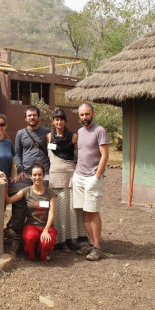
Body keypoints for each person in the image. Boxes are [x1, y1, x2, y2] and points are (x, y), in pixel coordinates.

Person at [72, 103, 109, 262]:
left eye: (87, 114)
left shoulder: (100, 131)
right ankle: (90, 243)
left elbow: (105, 155)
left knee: (93, 211)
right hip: (79, 176)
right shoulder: (80, 131)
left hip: (93, 177)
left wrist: (97, 176)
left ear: (93, 114)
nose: (84, 118)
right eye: (82, 115)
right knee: (84, 211)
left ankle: (97, 247)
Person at [46, 108, 86, 251]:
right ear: (53, 121)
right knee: (58, 210)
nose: (59, 122)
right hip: (54, 177)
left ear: (65, 121)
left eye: (61, 119)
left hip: (70, 176)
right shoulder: (49, 136)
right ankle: (60, 241)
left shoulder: (73, 136)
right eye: (56, 119)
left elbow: (78, 156)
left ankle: (74, 238)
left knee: (71, 209)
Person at [7, 105, 50, 236]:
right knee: (20, 200)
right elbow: (18, 153)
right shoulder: (21, 133)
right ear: (25, 118)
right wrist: (20, 170)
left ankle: (41, 230)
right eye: (29, 115)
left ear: (38, 117)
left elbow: (51, 152)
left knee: (42, 202)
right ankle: (16, 229)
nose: (32, 117)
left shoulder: (47, 132)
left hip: (43, 174)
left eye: (34, 115)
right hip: (25, 173)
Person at [5, 162, 57, 261]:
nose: (37, 177)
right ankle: (32, 250)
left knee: (46, 244)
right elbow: (8, 201)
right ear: (31, 176)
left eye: (39, 175)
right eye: (35, 175)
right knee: (30, 238)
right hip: (31, 225)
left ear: (43, 175)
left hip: (46, 227)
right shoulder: (26, 191)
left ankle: (43, 249)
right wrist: (6, 186)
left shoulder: (51, 193)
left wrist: (46, 230)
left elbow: (51, 214)